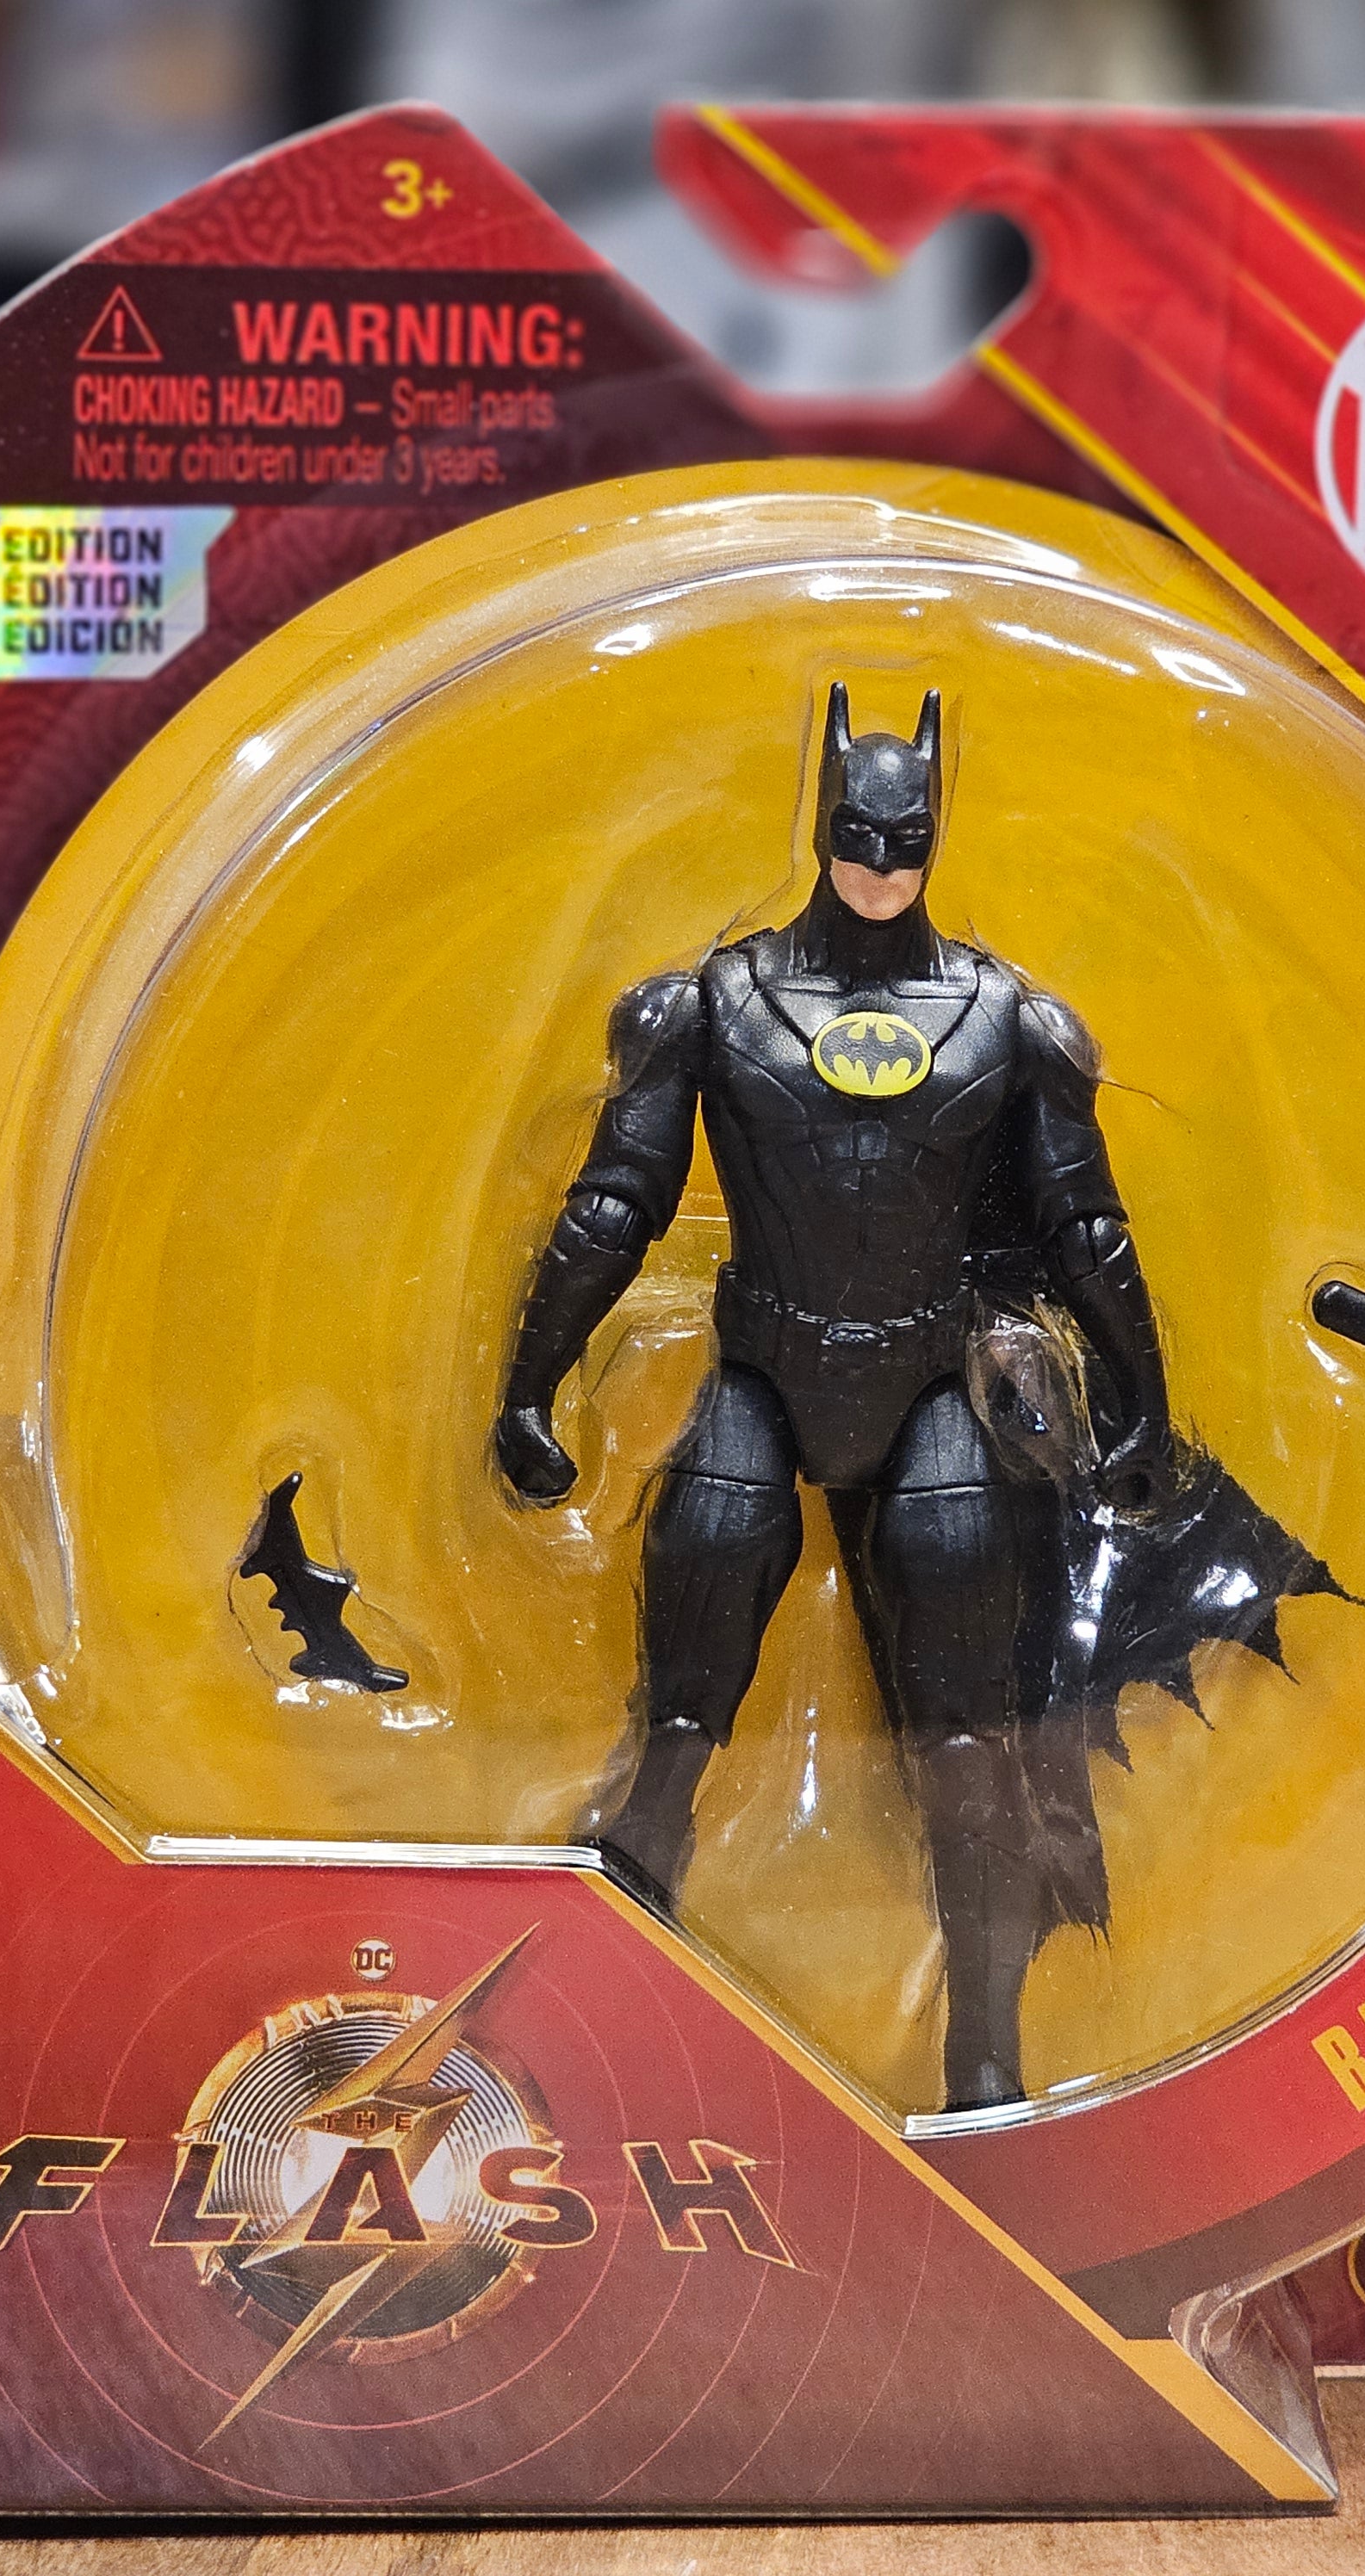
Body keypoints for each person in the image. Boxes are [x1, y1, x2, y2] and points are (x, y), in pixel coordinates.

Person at [493, 682, 1173, 2109]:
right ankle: (580, 2019)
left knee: (971, 1750)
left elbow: (1087, 1227)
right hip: (763, 1373)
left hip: (932, 1389)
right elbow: (615, 1204)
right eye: (858, 836)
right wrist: (531, 1386)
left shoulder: (1006, 1021)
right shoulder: (713, 1005)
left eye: (904, 841)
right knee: (676, 1733)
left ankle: (984, 2059)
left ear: (936, 835)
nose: (878, 865)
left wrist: (1139, 1401)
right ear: (820, 824)